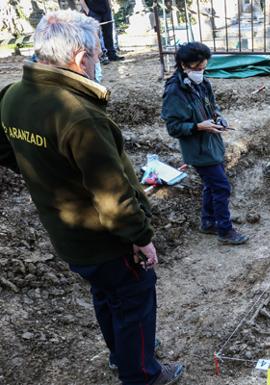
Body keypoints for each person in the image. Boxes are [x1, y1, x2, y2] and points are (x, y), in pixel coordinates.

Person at [0, 10, 183, 384]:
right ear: (81, 58)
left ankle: (123, 355)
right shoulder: (81, 116)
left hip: (68, 236)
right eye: (98, 56)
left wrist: (49, 174)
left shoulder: (12, 96)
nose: (99, 62)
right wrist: (142, 239)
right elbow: (113, 198)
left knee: (106, 294)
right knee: (135, 299)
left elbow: (8, 152)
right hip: (105, 239)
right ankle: (143, 374)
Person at [161, 42, 248, 245]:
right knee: (221, 187)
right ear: (184, 65)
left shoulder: (202, 83)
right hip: (198, 149)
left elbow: (212, 105)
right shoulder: (175, 91)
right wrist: (199, 126)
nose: (200, 72)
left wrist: (218, 117)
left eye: (203, 68)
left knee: (212, 185)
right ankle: (225, 231)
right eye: (196, 68)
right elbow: (173, 127)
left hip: (212, 143)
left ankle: (208, 222)